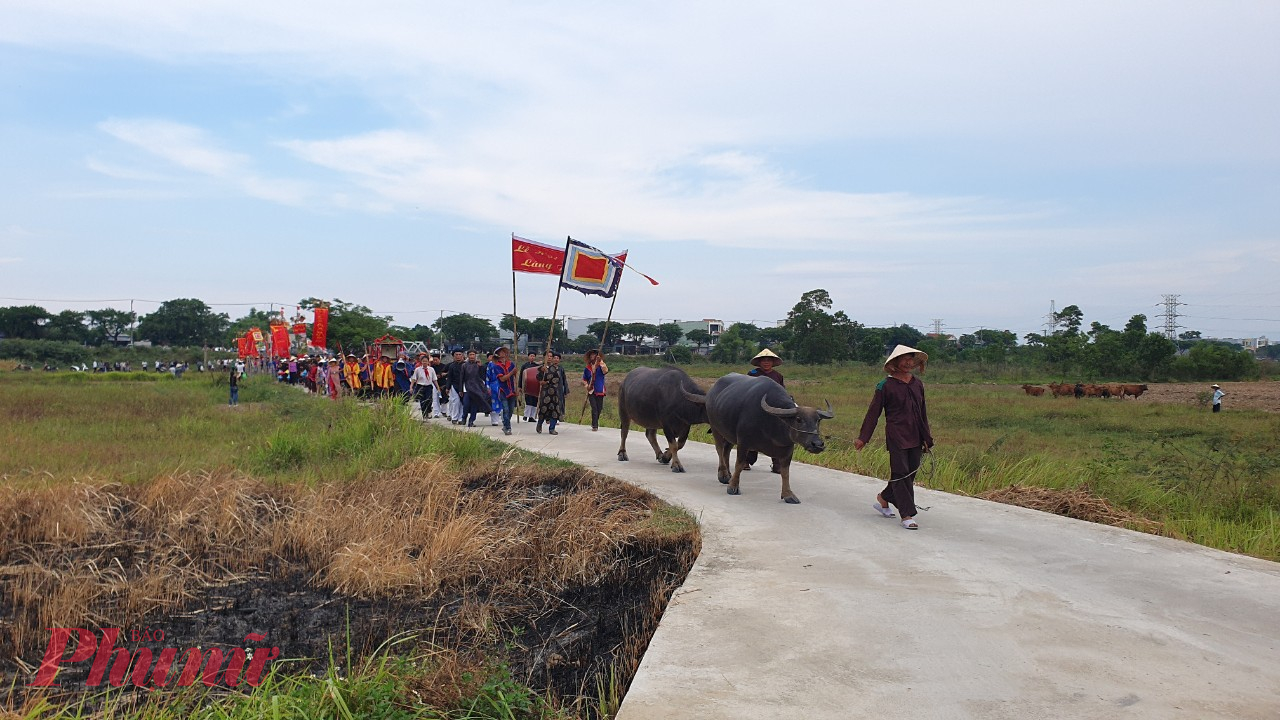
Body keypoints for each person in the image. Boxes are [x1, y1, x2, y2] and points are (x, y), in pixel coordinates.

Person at [854, 345, 934, 531]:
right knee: (900, 473)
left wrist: (926, 438)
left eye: (911, 359)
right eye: (904, 359)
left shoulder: (917, 384)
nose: (908, 362)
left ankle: (883, 498)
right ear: (895, 362)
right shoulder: (885, 386)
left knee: (910, 472)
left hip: (916, 434)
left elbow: (923, 413)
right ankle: (907, 514)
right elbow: (873, 413)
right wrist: (863, 438)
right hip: (897, 435)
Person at [746, 348, 785, 471]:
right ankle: (746, 461)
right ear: (759, 362)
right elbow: (746, 391)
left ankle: (777, 464)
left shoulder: (778, 376)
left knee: (776, 436)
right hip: (755, 409)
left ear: (773, 362)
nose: (766, 363)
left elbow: (783, 392)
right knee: (750, 434)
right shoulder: (752, 374)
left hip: (773, 410)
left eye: (769, 360)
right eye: (764, 360)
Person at [487, 346, 518, 435]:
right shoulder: (497, 366)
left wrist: (517, 388)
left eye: (504, 352)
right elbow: (503, 379)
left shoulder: (511, 364)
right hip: (503, 390)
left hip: (512, 390)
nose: (503, 353)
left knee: (511, 410)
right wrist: (512, 372)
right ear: (498, 354)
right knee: (506, 409)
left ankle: (505, 424)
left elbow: (515, 377)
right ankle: (508, 428)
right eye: (501, 352)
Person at [536, 351, 564, 435]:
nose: (549, 357)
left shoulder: (558, 368)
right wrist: (542, 380)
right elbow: (538, 378)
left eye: (551, 356)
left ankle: (552, 428)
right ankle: (539, 424)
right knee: (543, 409)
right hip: (545, 392)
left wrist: (547, 382)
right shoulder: (542, 368)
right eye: (547, 356)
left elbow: (559, 380)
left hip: (555, 392)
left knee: (555, 410)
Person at [582, 349, 609, 431]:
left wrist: (600, 363)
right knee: (594, 408)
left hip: (600, 389)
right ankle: (595, 426)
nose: (592, 356)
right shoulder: (588, 368)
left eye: (594, 355)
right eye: (591, 355)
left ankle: (594, 422)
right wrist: (587, 386)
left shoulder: (601, 365)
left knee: (599, 408)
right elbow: (584, 379)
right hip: (591, 390)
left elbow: (606, 371)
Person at [460, 350, 487, 427]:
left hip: (476, 388)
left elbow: (482, 377)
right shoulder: (464, 365)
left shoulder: (478, 365)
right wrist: (460, 389)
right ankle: (464, 418)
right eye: (470, 354)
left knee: (474, 406)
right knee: (466, 404)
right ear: (468, 356)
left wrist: (480, 367)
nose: (472, 356)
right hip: (467, 387)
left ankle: (471, 421)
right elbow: (462, 378)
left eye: (473, 354)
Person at [411, 352, 440, 418]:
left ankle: (429, 411)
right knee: (422, 401)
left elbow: (434, 379)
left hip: (428, 386)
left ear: (428, 362)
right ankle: (424, 414)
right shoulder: (417, 369)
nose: (425, 363)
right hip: (420, 386)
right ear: (421, 362)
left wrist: (437, 388)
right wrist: (411, 387)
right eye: (423, 361)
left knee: (429, 400)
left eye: (426, 361)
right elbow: (414, 379)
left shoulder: (431, 369)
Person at [518, 351, 540, 422]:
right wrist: (520, 386)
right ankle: (526, 415)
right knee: (528, 401)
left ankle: (532, 416)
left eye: (533, 356)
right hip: (527, 386)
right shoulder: (525, 366)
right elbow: (521, 376)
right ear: (528, 357)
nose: (532, 357)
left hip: (535, 386)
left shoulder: (537, 366)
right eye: (531, 356)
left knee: (534, 402)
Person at [446, 349, 466, 423]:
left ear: (462, 356)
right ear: (453, 356)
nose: (458, 356)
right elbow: (449, 377)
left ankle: (461, 418)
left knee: (462, 402)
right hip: (454, 385)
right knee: (456, 401)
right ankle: (454, 417)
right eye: (456, 355)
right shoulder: (451, 366)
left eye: (459, 354)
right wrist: (447, 387)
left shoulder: (466, 365)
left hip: (464, 386)